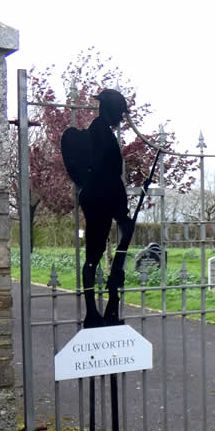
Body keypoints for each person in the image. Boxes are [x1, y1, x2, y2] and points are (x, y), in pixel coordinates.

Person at [76, 89, 135, 328]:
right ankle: (93, 311)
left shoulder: (104, 132)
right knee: (94, 254)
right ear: (109, 110)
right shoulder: (98, 133)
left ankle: (112, 298)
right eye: (119, 113)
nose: (121, 119)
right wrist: (120, 206)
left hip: (108, 197)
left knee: (118, 241)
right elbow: (104, 174)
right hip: (101, 198)